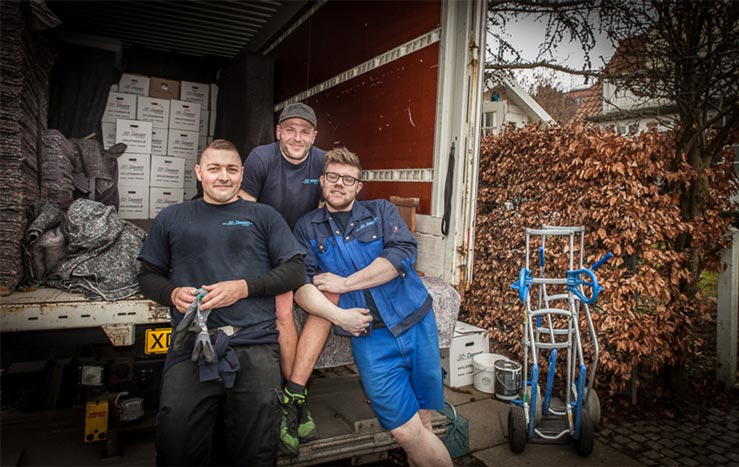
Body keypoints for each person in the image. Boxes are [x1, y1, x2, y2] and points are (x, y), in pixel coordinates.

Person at [137, 139, 308, 466]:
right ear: (199, 173)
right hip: (192, 345)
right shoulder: (172, 217)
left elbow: (295, 271)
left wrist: (244, 288)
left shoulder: (264, 216)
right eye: (214, 168)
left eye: (231, 169)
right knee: (176, 444)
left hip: (254, 345)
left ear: (242, 174)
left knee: (256, 450)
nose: (223, 176)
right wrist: (172, 293)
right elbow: (148, 275)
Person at [292, 147, 453, 467]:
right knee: (406, 432)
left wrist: (344, 284)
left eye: (348, 179)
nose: (339, 184)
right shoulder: (307, 227)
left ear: (358, 186)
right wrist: (338, 315)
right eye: (332, 177)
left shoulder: (381, 211)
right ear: (322, 181)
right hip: (370, 339)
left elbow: (401, 256)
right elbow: (302, 287)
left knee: (425, 419)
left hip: (416, 323)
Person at [238, 102, 364, 457]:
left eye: (304, 131)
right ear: (278, 132)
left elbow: (332, 206)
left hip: (304, 247)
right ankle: (296, 401)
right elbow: (245, 214)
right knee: (282, 304)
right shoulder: (260, 159)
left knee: (332, 293)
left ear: (314, 135)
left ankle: (293, 393)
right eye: (289, 129)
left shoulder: (323, 162)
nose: (296, 137)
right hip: (265, 247)